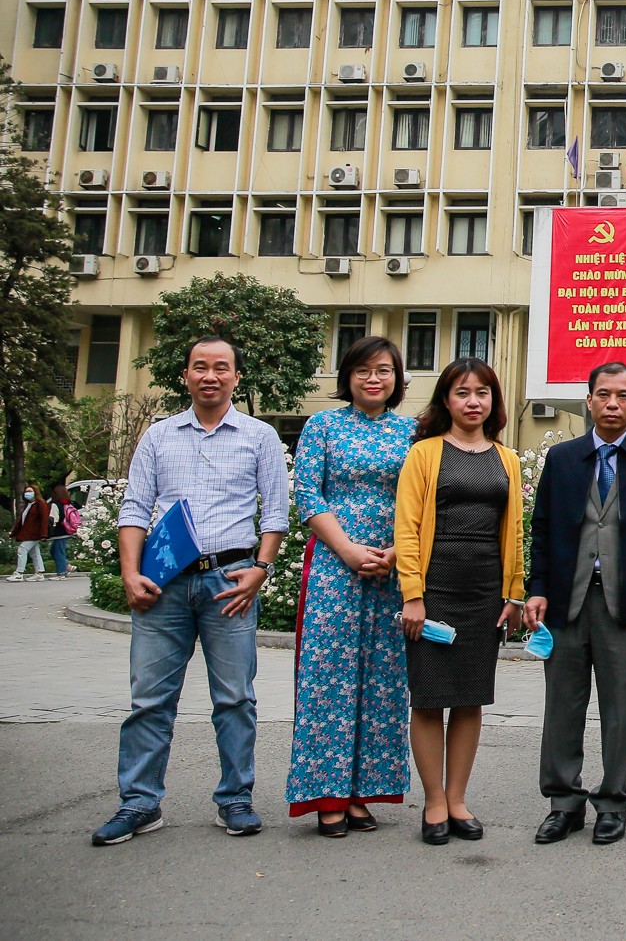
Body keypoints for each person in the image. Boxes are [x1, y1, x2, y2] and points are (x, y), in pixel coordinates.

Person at [91, 336, 290, 846]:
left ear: (236, 377)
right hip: (164, 584)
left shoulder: (260, 436)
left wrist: (261, 569)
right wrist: (130, 574)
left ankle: (235, 800)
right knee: (150, 701)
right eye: (199, 367)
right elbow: (135, 507)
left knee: (235, 699)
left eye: (221, 367)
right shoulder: (158, 436)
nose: (210, 376)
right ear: (185, 376)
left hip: (231, 582)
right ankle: (139, 803)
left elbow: (274, 513)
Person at [524, 361, 626, 847]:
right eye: (602, 394)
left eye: (621, 395)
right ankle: (563, 802)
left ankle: (613, 802)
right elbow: (544, 528)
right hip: (566, 603)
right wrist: (537, 586)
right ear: (588, 401)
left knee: (620, 708)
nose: (611, 404)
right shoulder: (564, 458)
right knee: (562, 706)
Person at [286, 336, 416, 837]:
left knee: (384, 681)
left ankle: (364, 790)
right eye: (363, 370)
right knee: (329, 677)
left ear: (397, 379)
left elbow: (423, 498)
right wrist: (347, 550)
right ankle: (328, 794)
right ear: (347, 377)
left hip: (392, 570)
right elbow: (306, 491)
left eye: (384, 370)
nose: (374, 379)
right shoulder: (323, 425)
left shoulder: (411, 432)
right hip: (334, 569)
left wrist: (396, 554)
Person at [394, 358, 524, 846]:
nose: (473, 402)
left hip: (484, 592)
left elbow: (512, 531)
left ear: (493, 401)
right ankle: (432, 802)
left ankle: (457, 799)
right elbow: (406, 528)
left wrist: (513, 594)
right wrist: (413, 595)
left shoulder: (506, 458)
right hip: (434, 590)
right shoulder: (424, 454)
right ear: (446, 400)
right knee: (429, 699)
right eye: (463, 392)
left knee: (470, 698)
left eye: (483, 393)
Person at [9, 484, 51, 581]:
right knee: (35, 553)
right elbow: (21, 521)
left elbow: (44, 519)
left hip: (35, 534)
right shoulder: (28, 505)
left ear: (35, 492)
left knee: (22, 550)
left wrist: (44, 533)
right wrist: (13, 533)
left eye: (30, 491)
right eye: (26, 492)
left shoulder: (40, 504)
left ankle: (19, 573)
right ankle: (39, 573)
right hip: (29, 533)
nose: (28, 493)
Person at [48, 483, 81, 579]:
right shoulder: (68, 504)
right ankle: (66, 566)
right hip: (66, 531)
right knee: (54, 551)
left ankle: (61, 573)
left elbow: (55, 519)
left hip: (59, 532)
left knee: (58, 552)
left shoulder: (55, 505)